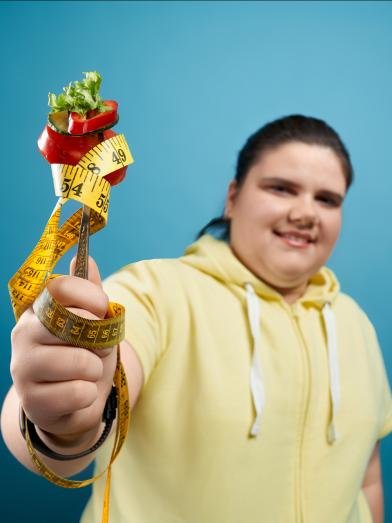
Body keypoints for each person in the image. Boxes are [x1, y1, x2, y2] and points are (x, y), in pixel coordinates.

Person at [1, 114, 391, 523]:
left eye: (327, 199)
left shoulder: (354, 324)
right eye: (281, 189)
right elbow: (69, 420)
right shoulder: (153, 293)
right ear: (233, 198)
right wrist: (61, 423)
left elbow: (366, 478)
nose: (306, 212)